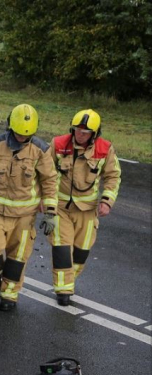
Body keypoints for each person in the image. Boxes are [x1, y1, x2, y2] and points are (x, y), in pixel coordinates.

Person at [0, 104, 58, 311]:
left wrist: (50, 212)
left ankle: (9, 295)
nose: (22, 138)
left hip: (24, 216)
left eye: (26, 135)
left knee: (17, 258)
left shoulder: (41, 150)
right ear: (10, 127)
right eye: (19, 134)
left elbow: (49, 181)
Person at [47, 109, 121, 305]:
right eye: (77, 130)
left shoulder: (105, 149)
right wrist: (47, 203)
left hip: (88, 210)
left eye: (85, 132)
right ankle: (63, 291)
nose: (80, 134)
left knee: (81, 252)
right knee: (62, 248)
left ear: (94, 134)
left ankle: (68, 279)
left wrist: (107, 200)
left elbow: (113, 176)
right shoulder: (59, 144)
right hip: (60, 208)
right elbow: (46, 172)